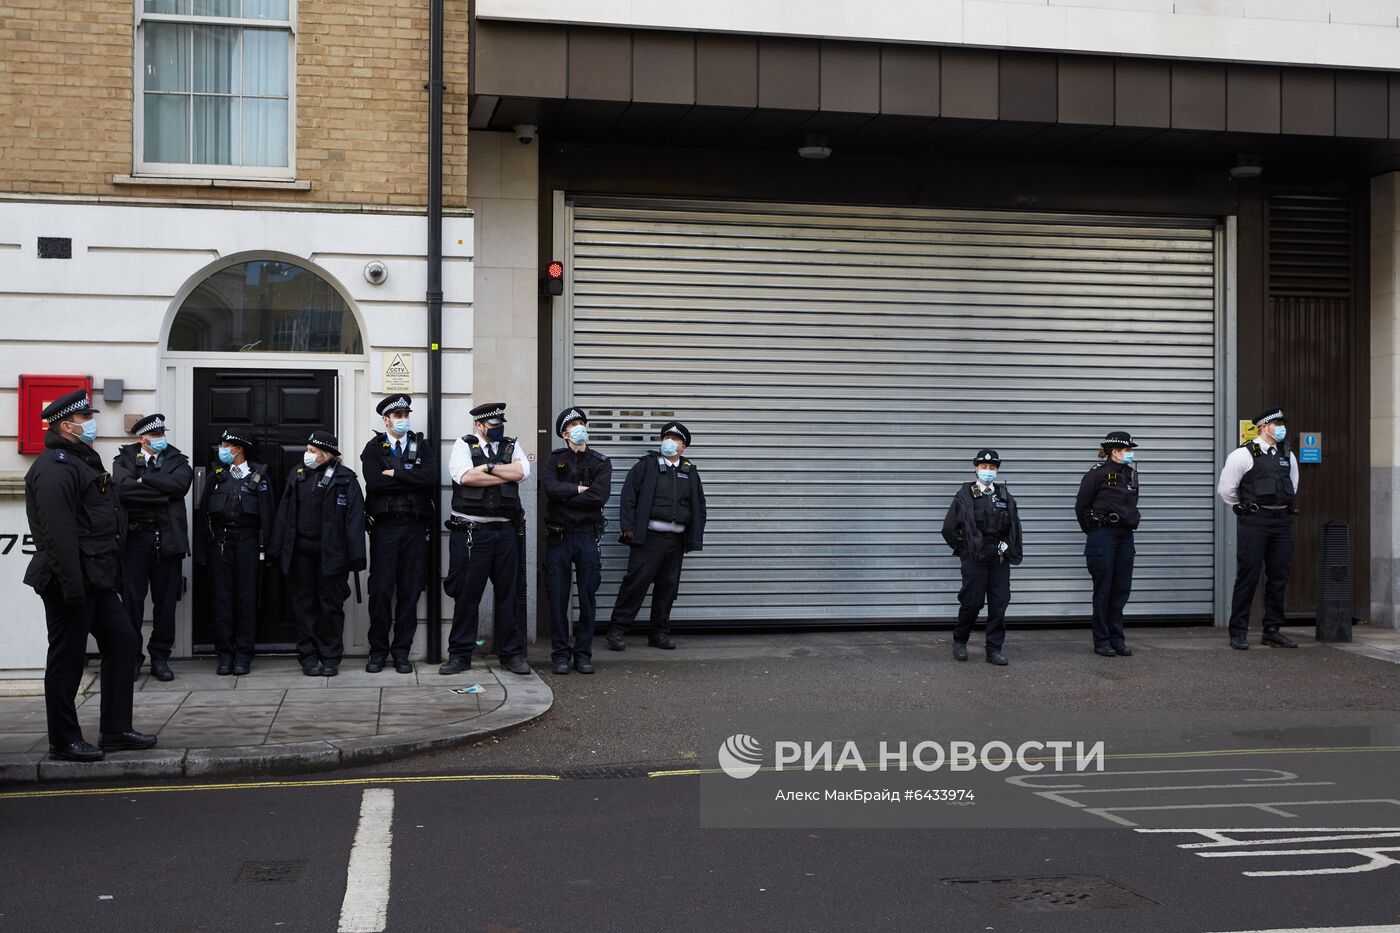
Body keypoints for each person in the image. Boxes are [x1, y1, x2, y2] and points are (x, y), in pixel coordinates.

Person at [24, 389, 155, 762]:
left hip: (94, 579)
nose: (91, 424)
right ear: (67, 426)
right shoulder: (54, 468)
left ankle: (115, 729)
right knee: (67, 658)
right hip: (70, 581)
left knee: (123, 641)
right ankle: (64, 740)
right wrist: (72, 586)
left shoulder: (82, 460)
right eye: (84, 419)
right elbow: (59, 535)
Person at [441, 402, 532, 676]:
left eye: (500, 425)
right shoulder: (463, 445)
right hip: (472, 533)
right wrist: (502, 473)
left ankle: (510, 655)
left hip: (505, 533)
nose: (498, 429)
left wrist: (488, 469)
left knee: (508, 595)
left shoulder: (510, 445)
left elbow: (522, 472)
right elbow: (464, 477)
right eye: (492, 426)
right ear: (479, 425)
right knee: (468, 596)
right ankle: (459, 655)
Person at [270, 431, 367, 677]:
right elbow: (284, 513)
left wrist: (356, 557)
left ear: (326, 454)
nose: (307, 454)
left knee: (330, 606)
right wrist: (276, 550)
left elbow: (355, 520)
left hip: (332, 555)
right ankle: (309, 656)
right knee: (304, 605)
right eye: (307, 449)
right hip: (301, 552)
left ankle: (331, 656)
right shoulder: (297, 475)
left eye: (312, 450)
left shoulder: (346, 479)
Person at [605, 421, 707, 652]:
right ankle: (617, 631)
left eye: (675, 439)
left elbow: (699, 504)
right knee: (635, 585)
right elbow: (628, 496)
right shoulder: (646, 466)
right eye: (666, 437)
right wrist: (628, 528)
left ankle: (659, 634)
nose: (669, 442)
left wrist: (694, 535)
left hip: (676, 542)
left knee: (667, 589)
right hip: (649, 539)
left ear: (683, 447)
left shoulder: (689, 471)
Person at [360, 394, 437, 674]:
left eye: (406, 415)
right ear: (386, 420)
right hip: (386, 528)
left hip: (416, 528)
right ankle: (378, 651)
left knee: (410, 591)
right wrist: (408, 476)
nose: (403, 420)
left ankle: (401, 652)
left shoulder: (421, 445)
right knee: (381, 591)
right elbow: (375, 483)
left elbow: (429, 478)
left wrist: (397, 472)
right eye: (398, 416)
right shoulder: (373, 448)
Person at [113, 413, 192, 682]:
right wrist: (162, 494)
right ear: (141, 438)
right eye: (155, 436)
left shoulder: (177, 460)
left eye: (162, 434)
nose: (161, 439)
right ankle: (132, 658)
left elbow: (180, 486)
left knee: (166, 603)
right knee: (131, 603)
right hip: (134, 540)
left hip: (166, 540)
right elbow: (122, 491)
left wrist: (144, 481)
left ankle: (160, 657)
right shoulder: (123, 459)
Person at [1218, 407, 1300, 650]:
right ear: (1263, 427)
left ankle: (1272, 630)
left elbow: (1293, 486)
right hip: (1255, 522)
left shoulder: (1288, 454)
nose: (1281, 427)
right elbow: (1226, 490)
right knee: (1248, 576)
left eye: (1282, 423)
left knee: (1278, 577)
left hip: (1281, 522)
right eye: (1277, 423)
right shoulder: (1242, 455)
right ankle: (1238, 632)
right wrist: (1244, 508)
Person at [541, 406, 612, 675]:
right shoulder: (554, 459)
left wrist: (567, 494)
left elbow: (599, 497)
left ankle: (583, 655)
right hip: (559, 537)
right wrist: (579, 489)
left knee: (587, 596)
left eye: (582, 422)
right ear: (564, 433)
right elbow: (549, 489)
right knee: (558, 598)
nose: (579, 427)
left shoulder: (600, 462)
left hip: (586, 536)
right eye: (573, 424)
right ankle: (560, 655)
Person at [198, 430, 274, 675]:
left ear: (238, 449)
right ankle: (224, 654)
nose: (221, 448)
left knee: (246, 599)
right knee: (222, 600)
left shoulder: (259, 477)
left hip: (248, 544)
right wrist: (202, 550)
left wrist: (269, 551)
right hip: (220, 544)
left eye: (225, 444)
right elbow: (202, 516)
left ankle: (243, 654)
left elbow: (268, 516)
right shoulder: (216, 476)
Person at [941, 449, 1024, 666]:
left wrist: (1008, 546)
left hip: (998, 557)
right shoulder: (964, 495)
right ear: (976, 468)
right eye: (984, 467)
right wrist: (966, 549)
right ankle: (960, 641)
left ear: (997, 470)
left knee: (999, 603)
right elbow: (948, 528)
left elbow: (1013, 526)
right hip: (974, 557)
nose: (988, 471)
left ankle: (994, 649)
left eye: (992, 468)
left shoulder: (1004, 496)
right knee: (972, 602)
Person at [1075, 431, 1141, 658]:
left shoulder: (1131, 474)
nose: (1131, 454)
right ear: (1115, 452)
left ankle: (1117, 639)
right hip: (1103, 535)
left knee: (1121, 589)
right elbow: (1082, 505)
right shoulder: (1097, 474)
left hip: (1124, 536)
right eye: (1128, 450)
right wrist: (1094, 532)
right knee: (1103, 590)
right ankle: (1102, 641)